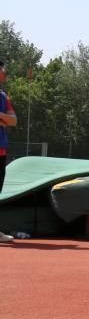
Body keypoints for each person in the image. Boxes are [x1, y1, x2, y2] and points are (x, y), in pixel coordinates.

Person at [0, 60, 18, 242]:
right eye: (2, 69)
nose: (4, 72)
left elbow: (13, 121)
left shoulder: (2, 96)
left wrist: (1, 116)